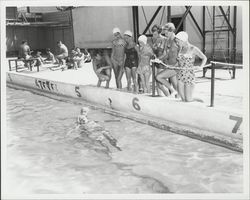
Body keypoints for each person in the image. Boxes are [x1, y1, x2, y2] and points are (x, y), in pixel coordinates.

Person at [174, 31, 207, 102]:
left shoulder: (193, 48)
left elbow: (204, 58)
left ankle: (197, 99)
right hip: (180, 75)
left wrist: (201, 67)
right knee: (183, 99)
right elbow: (179, 62)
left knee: (188, 100)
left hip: (189, 76)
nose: (177, 43)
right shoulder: (180, 49)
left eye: (178, 41)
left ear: (183, 40)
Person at [156, 22, 178, 97]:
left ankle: (173, 91)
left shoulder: (177, 40)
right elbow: (165, 54)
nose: (165, 35)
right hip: (169, 65)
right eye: (164, 33)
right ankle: (178, 98)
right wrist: (158, 59)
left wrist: (177, 65)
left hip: (176, 66)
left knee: (159, 77)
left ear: (172, 31)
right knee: (175, 86)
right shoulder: (166, 41)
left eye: (167, 33)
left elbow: (182, 53)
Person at [150, 24, 167, 96]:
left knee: (160, 82)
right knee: (156, 82)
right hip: (155, 62)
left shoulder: (164, 39)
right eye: (153, 33)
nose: (154, 35)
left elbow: (165, 53)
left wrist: (158, 59)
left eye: (155, 33)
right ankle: (160, 95)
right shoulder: (154, 39)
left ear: (159, 32)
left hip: (161, 62)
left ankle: (168, 95)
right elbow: (153, 51)